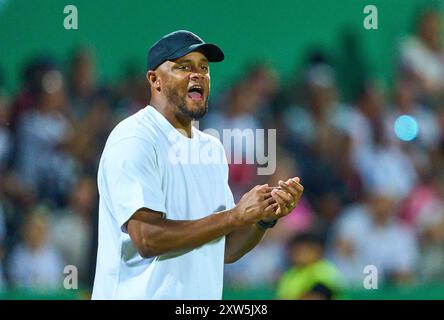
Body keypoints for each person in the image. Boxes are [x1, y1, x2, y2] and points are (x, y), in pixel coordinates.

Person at [91, 30, 304, 300]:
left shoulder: (212, 149)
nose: (198, 74)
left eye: (204, 68)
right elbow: (146, 238)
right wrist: (235, 216)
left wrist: (263, 218)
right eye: (183, 66)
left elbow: (224, 249)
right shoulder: (135, 138)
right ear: (154, 79)